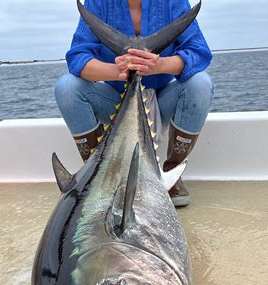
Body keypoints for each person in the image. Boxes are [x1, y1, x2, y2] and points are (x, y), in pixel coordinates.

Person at [55, 0, 213, 207]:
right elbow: (77, 57)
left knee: (200, 84)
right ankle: (99, 174)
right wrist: (118, 71)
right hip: (116, 103)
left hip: (162, 99)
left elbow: (199, 52)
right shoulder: (97, 2)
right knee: (67, 87)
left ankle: (170, 173)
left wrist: (159, 65)